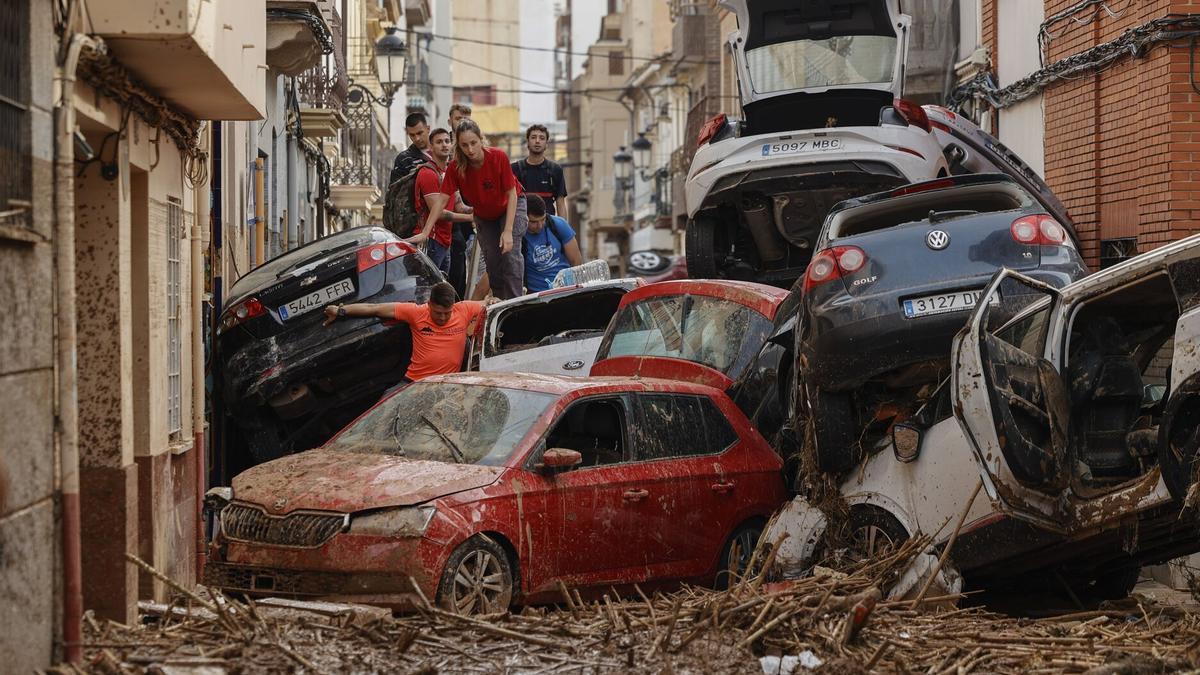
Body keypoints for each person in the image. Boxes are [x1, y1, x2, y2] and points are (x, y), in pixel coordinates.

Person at [432, 119, 529, 300]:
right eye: (464, 145)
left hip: (511, 206)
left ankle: (516, 301)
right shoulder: (455, 167)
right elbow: (441, 200)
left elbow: (512, 194)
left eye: (473, 143)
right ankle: (501, 302)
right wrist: (425, 231)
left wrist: (507, 231)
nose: (470, 149)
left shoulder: (498, 157)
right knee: (492, 262)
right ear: (458, 146)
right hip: (485, 215)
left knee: (509, 253)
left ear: (481, 139)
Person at [323, 282, 490, 382]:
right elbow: (375, 308)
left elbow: (490, 303)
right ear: (429, 304)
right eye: (438, 312)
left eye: (447, 313)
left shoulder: (464, 310)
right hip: (413, 383)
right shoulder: (416, 312)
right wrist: (340, 311)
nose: (443, 317)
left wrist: (493, 300)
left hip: (445, 384)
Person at [405, 128, 473, 274]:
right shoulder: (428, 173)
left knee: (441, 291)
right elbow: (439, 213)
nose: (444, 145)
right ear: (431, 147)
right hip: (430, 241)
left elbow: (460, 206)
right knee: (428, 290)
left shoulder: (449, 173)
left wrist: (479, 209)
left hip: (444, 242)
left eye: (447, 141)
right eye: (439, 142)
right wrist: (471, 218)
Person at [521, 195, 582, 292]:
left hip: (565, 289)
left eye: (543, 219)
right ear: (523, 218)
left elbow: (576, 261)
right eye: (534, 222)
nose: (540, 225)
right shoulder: (518, 236)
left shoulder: (559, 224)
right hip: (537, 295)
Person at [511, 124, 567, 217]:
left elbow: (560, 203)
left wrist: (564, 229)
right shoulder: (514, 169)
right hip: (522, 226)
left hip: (547, 225)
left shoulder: (555, 170)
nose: (537, 141)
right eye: (533, 137)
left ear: (546, 144)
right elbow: (508, 200)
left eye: (542, 138)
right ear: (527, 142)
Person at [389, 112, 433, 185]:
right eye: (412, 135)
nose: (417, 138)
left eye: (420, 133)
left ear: (428, 129)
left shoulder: (443, 150)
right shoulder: (403, 159)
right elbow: (395, 190)